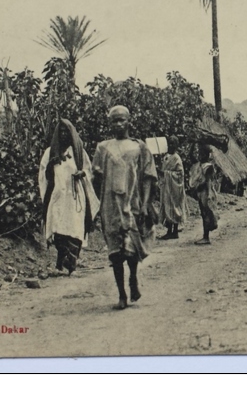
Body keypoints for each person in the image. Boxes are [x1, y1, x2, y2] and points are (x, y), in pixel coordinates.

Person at [91, 105, 158, 310]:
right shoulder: (103, 148)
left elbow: (148, 178)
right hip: (110, 206)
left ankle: (133, 279)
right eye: (114, 121)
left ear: (129, 121)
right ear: (109, 124)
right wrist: (99, 204)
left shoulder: (139, 147)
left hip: (132, 203)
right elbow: (96, 177)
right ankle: (121, 294)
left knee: (131, 249)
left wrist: (146, 204)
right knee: (115, 252)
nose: (118, 124)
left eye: (121, 120)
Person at [38, 119, 100, 275]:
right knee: (57, 228)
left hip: (74, 197)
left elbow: (88, 169)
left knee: (75, 228)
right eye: (61, 132)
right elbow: (43, 174)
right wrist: (51, 168)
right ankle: (60, 262)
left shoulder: (78, 153)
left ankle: (70, 263)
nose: (64, 135)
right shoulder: (50, 152)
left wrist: (82, 173)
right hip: (57, 197)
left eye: (67, 132)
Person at [187, 144, 219, 245]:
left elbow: (208, 181)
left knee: (206, 213)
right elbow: (191, 157)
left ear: (206, 155)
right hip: (201, 192)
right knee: (203, 212)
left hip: (206, 192)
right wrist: (192, 145)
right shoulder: (199, 164)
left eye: (202, 154)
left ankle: (206, 237)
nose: (200, 155)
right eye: (199, 153)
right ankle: (206, 234)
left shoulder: (208, 167)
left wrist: (209, 193)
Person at [158, 136, 186, 240]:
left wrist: (165, 174)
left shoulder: (177, 158)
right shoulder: (166, 157)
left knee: (174, 207)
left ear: (176, 146)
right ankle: (169, 230)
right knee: (167, 207)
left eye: (173, 144)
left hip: (175, 189)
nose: (170, 146)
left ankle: (175, 231)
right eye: (169, 143)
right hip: (167, 188)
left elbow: (180, 174)